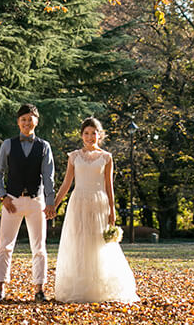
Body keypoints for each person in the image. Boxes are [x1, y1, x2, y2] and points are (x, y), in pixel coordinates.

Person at [52, 117, 139, 303]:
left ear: (100, 135)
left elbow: (109, 186)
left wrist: (112, 210)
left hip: (99, 202)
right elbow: (66, 184)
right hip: (78, 202)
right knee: (79, 242)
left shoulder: (106, 157)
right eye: (86, 133)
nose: (90, 137)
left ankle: (99, 286)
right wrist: (55, 204)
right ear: (81, 135)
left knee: (98, 243)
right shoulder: (74, 156)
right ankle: (80, 285)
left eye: (93, 133)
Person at [0, 103, 56, 303]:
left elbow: (49, 176)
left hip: (36, 201)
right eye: (23, 119)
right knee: (5, 246)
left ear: (36, 121)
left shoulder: (44, 146)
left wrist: (50, 202)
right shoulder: (8, 145)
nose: (27, 123)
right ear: (18, 122)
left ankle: (39, 288)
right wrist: (3, 196)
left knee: (39, 247)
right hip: (12, 201)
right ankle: (0, 288)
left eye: (30, 119)